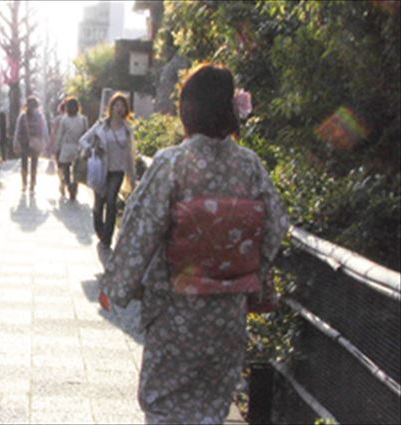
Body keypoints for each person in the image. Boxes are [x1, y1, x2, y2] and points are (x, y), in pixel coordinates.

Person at [98, 64, 289, 424]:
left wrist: (116, 285)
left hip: (176, 309)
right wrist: (248, 274)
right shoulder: (250, 166)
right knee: (212, 406)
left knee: (165, 402)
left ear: (189, 110)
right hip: (228, 314)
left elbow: (142, 228)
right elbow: (276, 225)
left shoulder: (174, 163)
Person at [80, 92, 136, 247]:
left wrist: (133, 179)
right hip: (100, 169)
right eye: (116, 105)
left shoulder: (127, 130)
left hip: (117, 171)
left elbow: (130, 155)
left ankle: (107, 237)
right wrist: (92, 149)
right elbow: (83, 140)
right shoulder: (101, 125)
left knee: (111, 201)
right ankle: (99, 229)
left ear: (126, 109)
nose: (119, 108)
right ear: (111, 107)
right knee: (99, 205)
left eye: (122, 106)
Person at [54, 97, 88, 201]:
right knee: (77, 170)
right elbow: (86, 134)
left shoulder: (64, 119)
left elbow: (60, 135)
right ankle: (74, 188)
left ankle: (69, 186)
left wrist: (57, 149)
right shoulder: (83, 119)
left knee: (66, 169)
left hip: (66, 147)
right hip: (78, 148)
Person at [13, 96, 49, 192]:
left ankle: (24, 184)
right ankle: (32, 184)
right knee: (34, 163)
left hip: (24, 142)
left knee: (24, 162)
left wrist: (15, 142)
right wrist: (46, 142)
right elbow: (44, 129)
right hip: (36, 142)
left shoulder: (22, 116)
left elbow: (17, 130)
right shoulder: (40, 116)